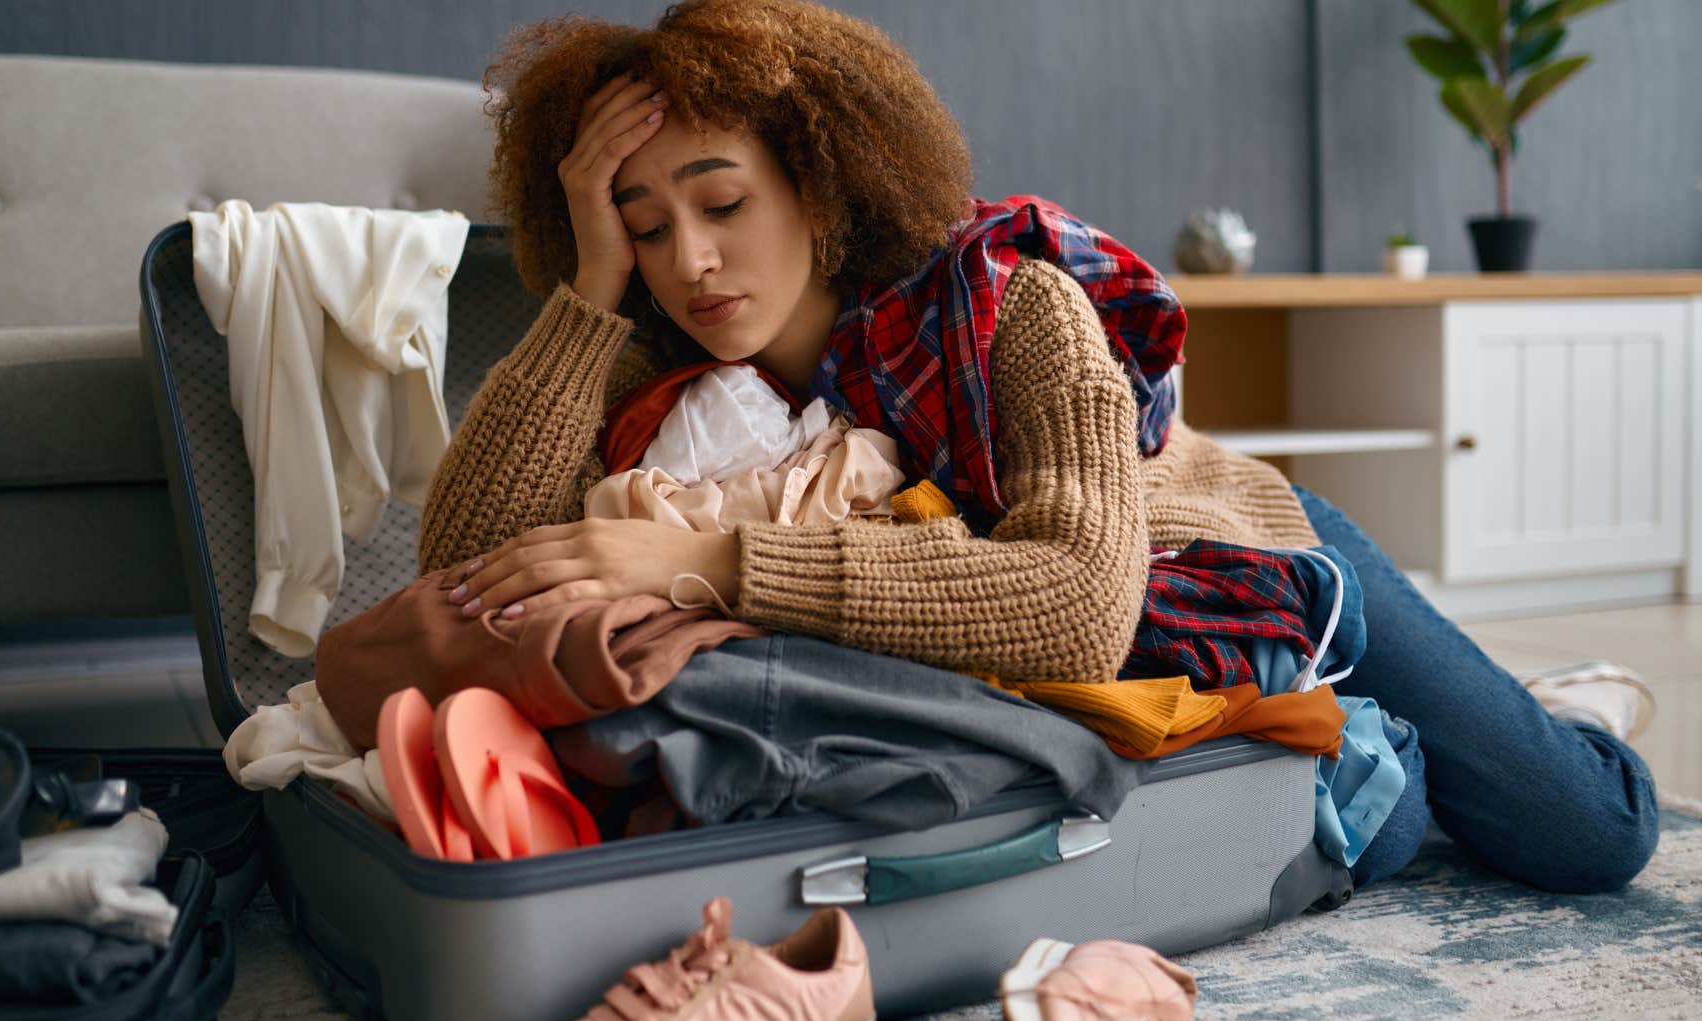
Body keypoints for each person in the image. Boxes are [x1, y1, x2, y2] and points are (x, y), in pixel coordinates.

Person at [412, 0, 1658, 895]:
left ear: (817, 182)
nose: (689, 259)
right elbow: (460, 575)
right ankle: (1417, 721)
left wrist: (706, 564)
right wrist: (588, 285)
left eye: (722, 201)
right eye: (644, 224)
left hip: (1228, 555)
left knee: (1587, 835)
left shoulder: (1011, 303)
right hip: (1116, 677)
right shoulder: (658, 368)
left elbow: (1077, 607)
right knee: (1399, 815)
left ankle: (1543, 707)